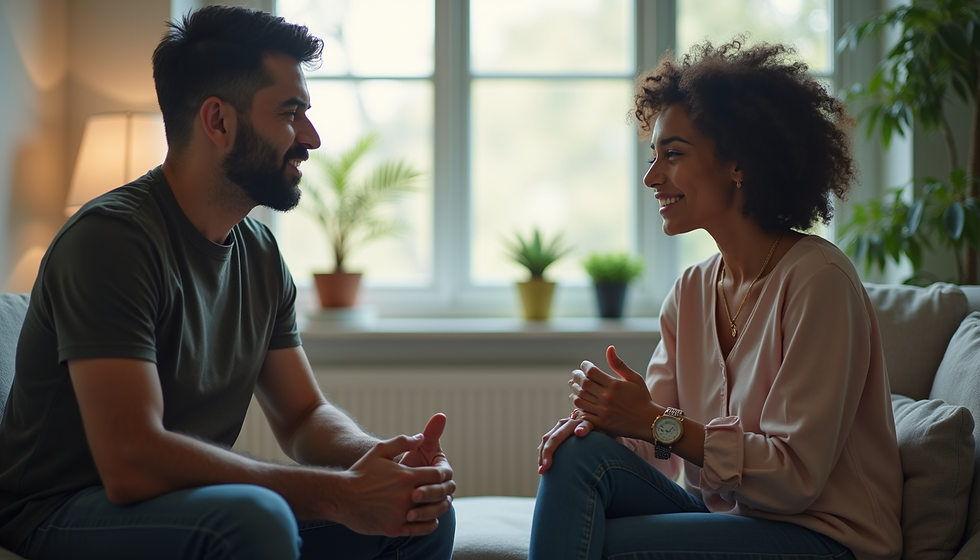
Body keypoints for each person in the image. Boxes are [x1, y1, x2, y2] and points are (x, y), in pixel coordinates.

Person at [0, 6, 455, 560]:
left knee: (419, 515)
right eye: (291, 113)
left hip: (186, 506)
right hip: (61, 510)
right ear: (218, 121)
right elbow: (131, 462)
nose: (310, 137)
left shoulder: (260, 253)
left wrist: (377, 461)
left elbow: (303, 416)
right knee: (252, 519)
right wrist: (339, 497)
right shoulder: (111, 241)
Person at [531, 39, 902, 560]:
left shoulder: (819, 280)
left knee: (602, 542)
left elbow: (795, 479)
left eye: (673, 154)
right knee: (579, 456)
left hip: (824, 537)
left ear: (738, 163)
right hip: (730, 519)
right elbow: (659, 446)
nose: (651, 177)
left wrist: (652, 420)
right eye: (653, 155)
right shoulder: (690, 291)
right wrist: (605, 421)